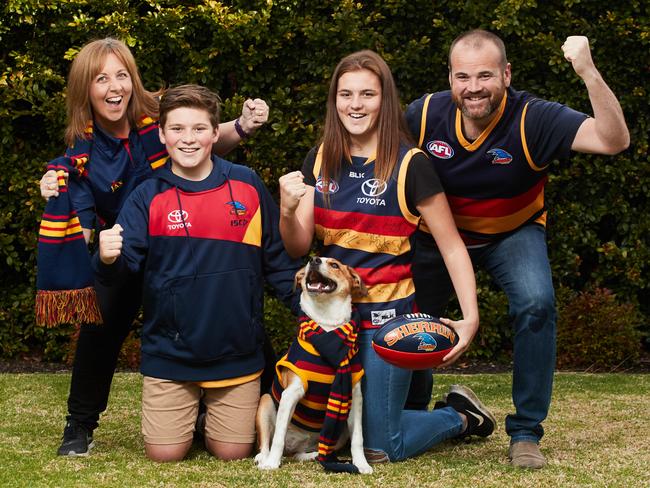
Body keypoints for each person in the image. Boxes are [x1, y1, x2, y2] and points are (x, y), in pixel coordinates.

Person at [405, 30, 629, 469]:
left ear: (506, 75)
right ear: (449, 78)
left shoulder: (534, 118)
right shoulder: (423, 113)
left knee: (536, 304)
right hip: (437, 235)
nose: (473, 87)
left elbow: (613, 140)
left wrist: (587, 70)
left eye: (485, 75)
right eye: (463, 76)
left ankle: (526, 431)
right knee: (411, 315)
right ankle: (416, 415)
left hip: (512, 232)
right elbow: (367, 152)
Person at [37, 38, 271, 457]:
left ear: (133, 79)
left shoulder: (157, 117)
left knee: (234, 306)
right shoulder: (81, 153)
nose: (115, 86)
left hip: (178, 237)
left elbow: (199, 140)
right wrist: (58, 195)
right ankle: (80, 424)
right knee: (100, 322)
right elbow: (85, 226)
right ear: (85, 89)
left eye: (122, 74)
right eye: (101, 78)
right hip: (129, 247)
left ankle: (265, 411)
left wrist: (242, 126)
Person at [278, 49, 496, 463]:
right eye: (346, 94)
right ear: (334, 100)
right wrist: (287, 211)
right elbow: (297, 246)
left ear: (385, 100)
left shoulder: (411, 165)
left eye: (367, 94)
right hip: (330, 324)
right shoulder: (320, 158)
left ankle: (459, 416)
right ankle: (408, 404)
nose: (355, 105)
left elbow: (451, 244)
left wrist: (471, 318)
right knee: (330, 427)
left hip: (388, 329)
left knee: (379, 447)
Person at [94, 83, 299, 462]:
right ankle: (191, 411)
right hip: (171, 355)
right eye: (177, 129)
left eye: (199, 129)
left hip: (236, 353)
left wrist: (310, 310)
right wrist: (106, 259)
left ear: (215, 133)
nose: (188, 139)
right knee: (165, 455)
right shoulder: (147, 194)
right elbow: (124, 271)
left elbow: (277, 263)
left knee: (232, 452)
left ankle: (210, 417)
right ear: (161, 135)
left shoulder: (246, 184)